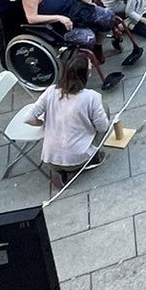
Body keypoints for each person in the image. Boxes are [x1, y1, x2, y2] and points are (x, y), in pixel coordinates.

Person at [18, 51, 111, 189]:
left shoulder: (50, 91)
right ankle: (92, 157)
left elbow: (28, 118)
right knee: (105, 109)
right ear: (86, 74)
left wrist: (44, 124)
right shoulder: (92, 97)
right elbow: (103, 127)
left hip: (50, 159)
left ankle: (60, 169)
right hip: (78, 158)